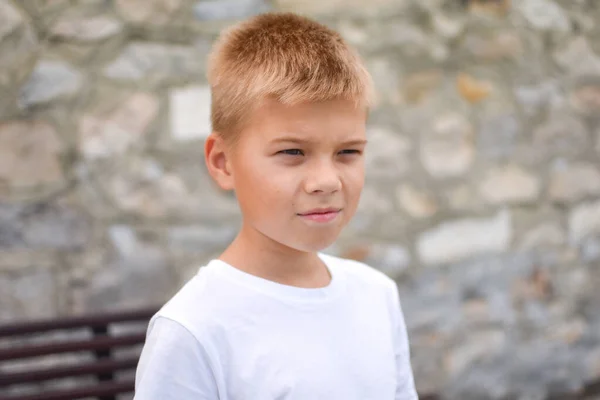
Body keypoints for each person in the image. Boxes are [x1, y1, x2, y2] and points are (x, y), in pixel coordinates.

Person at [133, 12, 418, 400]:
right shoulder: (192, 330)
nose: (327, 181)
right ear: (223, 162)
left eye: (347, 152)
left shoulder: (377, 295)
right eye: (292, 152)